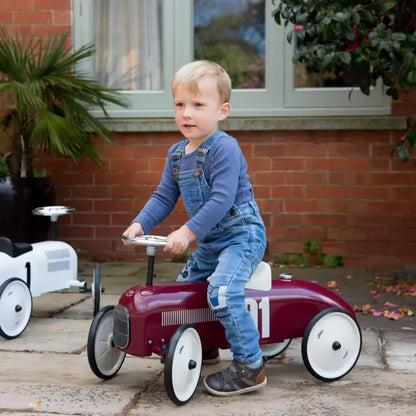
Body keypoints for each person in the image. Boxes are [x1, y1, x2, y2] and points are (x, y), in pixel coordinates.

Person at [122, 60, 267, 397]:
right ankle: (208, 341)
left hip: (241, 235)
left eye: (198, 105)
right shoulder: (176, 155)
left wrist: (186, 233)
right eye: (180, 104)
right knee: (185, 292)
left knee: (221, 291)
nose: (187, 113)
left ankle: (250, 366)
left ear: (222, 110)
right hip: (212, 241)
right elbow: (163, 196)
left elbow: (221, 199)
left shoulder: (224, 148)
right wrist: (140, 223)